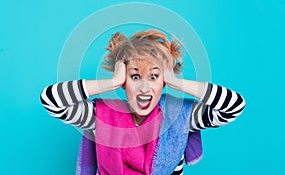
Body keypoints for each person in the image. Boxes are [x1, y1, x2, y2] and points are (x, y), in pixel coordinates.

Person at [40, 29, 245, 175]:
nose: (144, 89)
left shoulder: (180, 116)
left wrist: (175, 81)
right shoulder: (100, 116)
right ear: (124, 82)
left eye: (154, 77)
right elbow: (52, 100)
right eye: (135, 77)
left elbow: (233, 106)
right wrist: (111, 82)